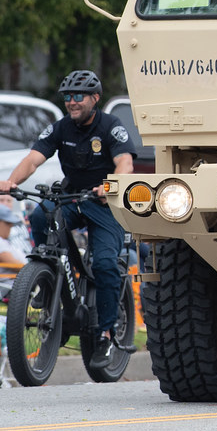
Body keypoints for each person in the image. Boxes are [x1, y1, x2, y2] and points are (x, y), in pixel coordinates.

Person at [0, 70, 135, 371]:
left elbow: (125, 162)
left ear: (95, 98)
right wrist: (10, 182)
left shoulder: (111, 127)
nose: (72, 102)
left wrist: (111, 185)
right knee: (40, 214)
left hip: (103, 202)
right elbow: (33, 159)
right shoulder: (61, 127)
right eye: (68, 97)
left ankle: (104, 334)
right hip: (73, 196)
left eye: (79, 96)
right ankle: (48, 278)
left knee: (103, 264)